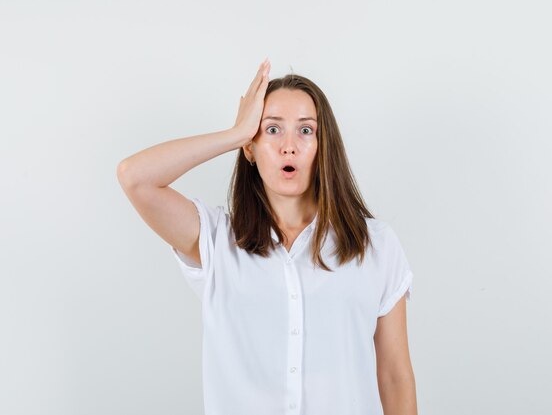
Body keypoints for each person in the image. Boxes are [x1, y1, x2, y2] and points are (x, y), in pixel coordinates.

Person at [117, 58, 418, 415]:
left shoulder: (376, 245)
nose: (288, 146)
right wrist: (234, 133)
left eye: (306, 131)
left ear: (324, 146)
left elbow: (395, 376)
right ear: (251, 148)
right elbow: (134, 177)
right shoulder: (216, 241)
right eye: (272, 130)